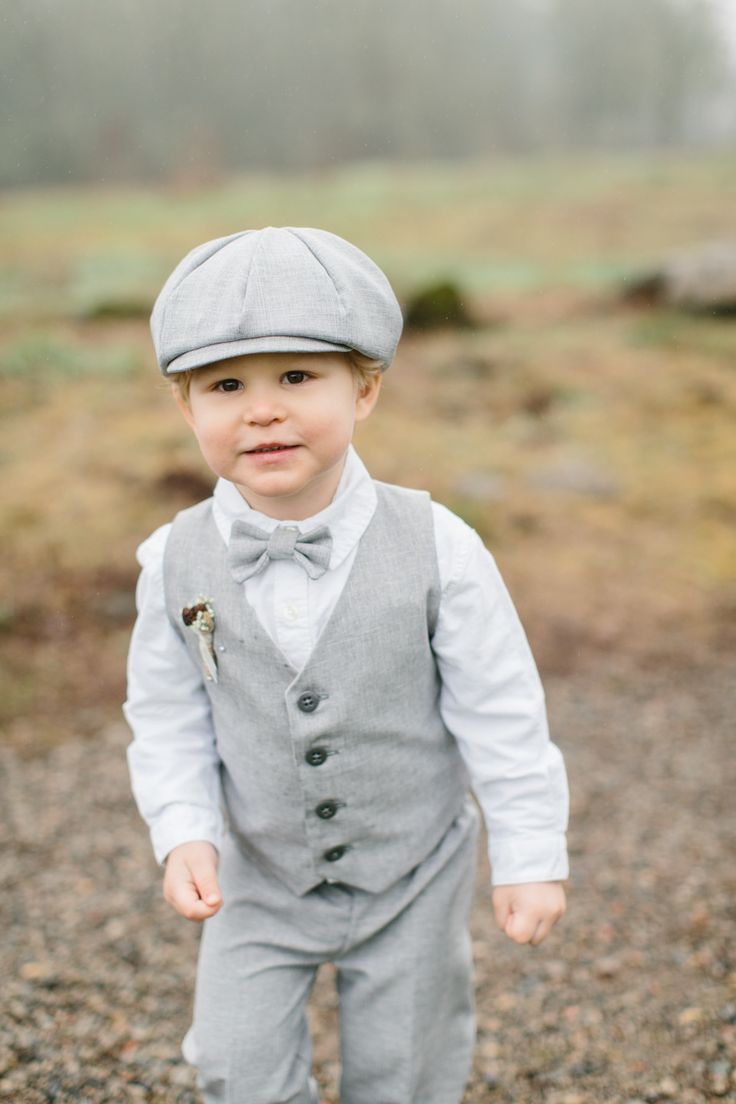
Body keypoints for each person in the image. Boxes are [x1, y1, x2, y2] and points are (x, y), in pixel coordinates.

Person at [124, 226, 569, 1104]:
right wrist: (183, 830)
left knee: (405, 1073)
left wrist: (529, 852)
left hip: (411, 873)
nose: (263, 409)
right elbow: (167, 714)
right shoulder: (171, 561)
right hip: (258, 873)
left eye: (296, 377)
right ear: (187, 408)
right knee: (232, 1062)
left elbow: (501, 708)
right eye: (226, 385)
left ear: (364, 388)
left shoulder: (439, 545)